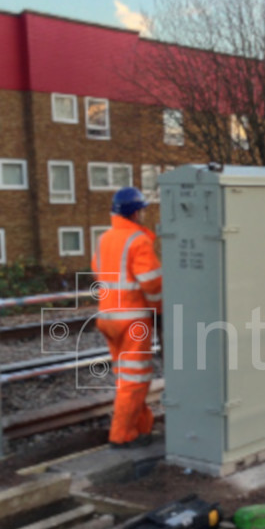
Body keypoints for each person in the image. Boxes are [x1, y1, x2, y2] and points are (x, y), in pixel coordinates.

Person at [91, 186, 163, 448]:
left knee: (129, 378)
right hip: (133, 321)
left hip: (107, 318)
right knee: (135, 380)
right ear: (135, 213)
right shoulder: (138, 241)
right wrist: (159, 309)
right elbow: (152, 283)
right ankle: (121, 436)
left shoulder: (104, 239)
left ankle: (141, 428)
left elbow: (98, 271)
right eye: (142, 210)